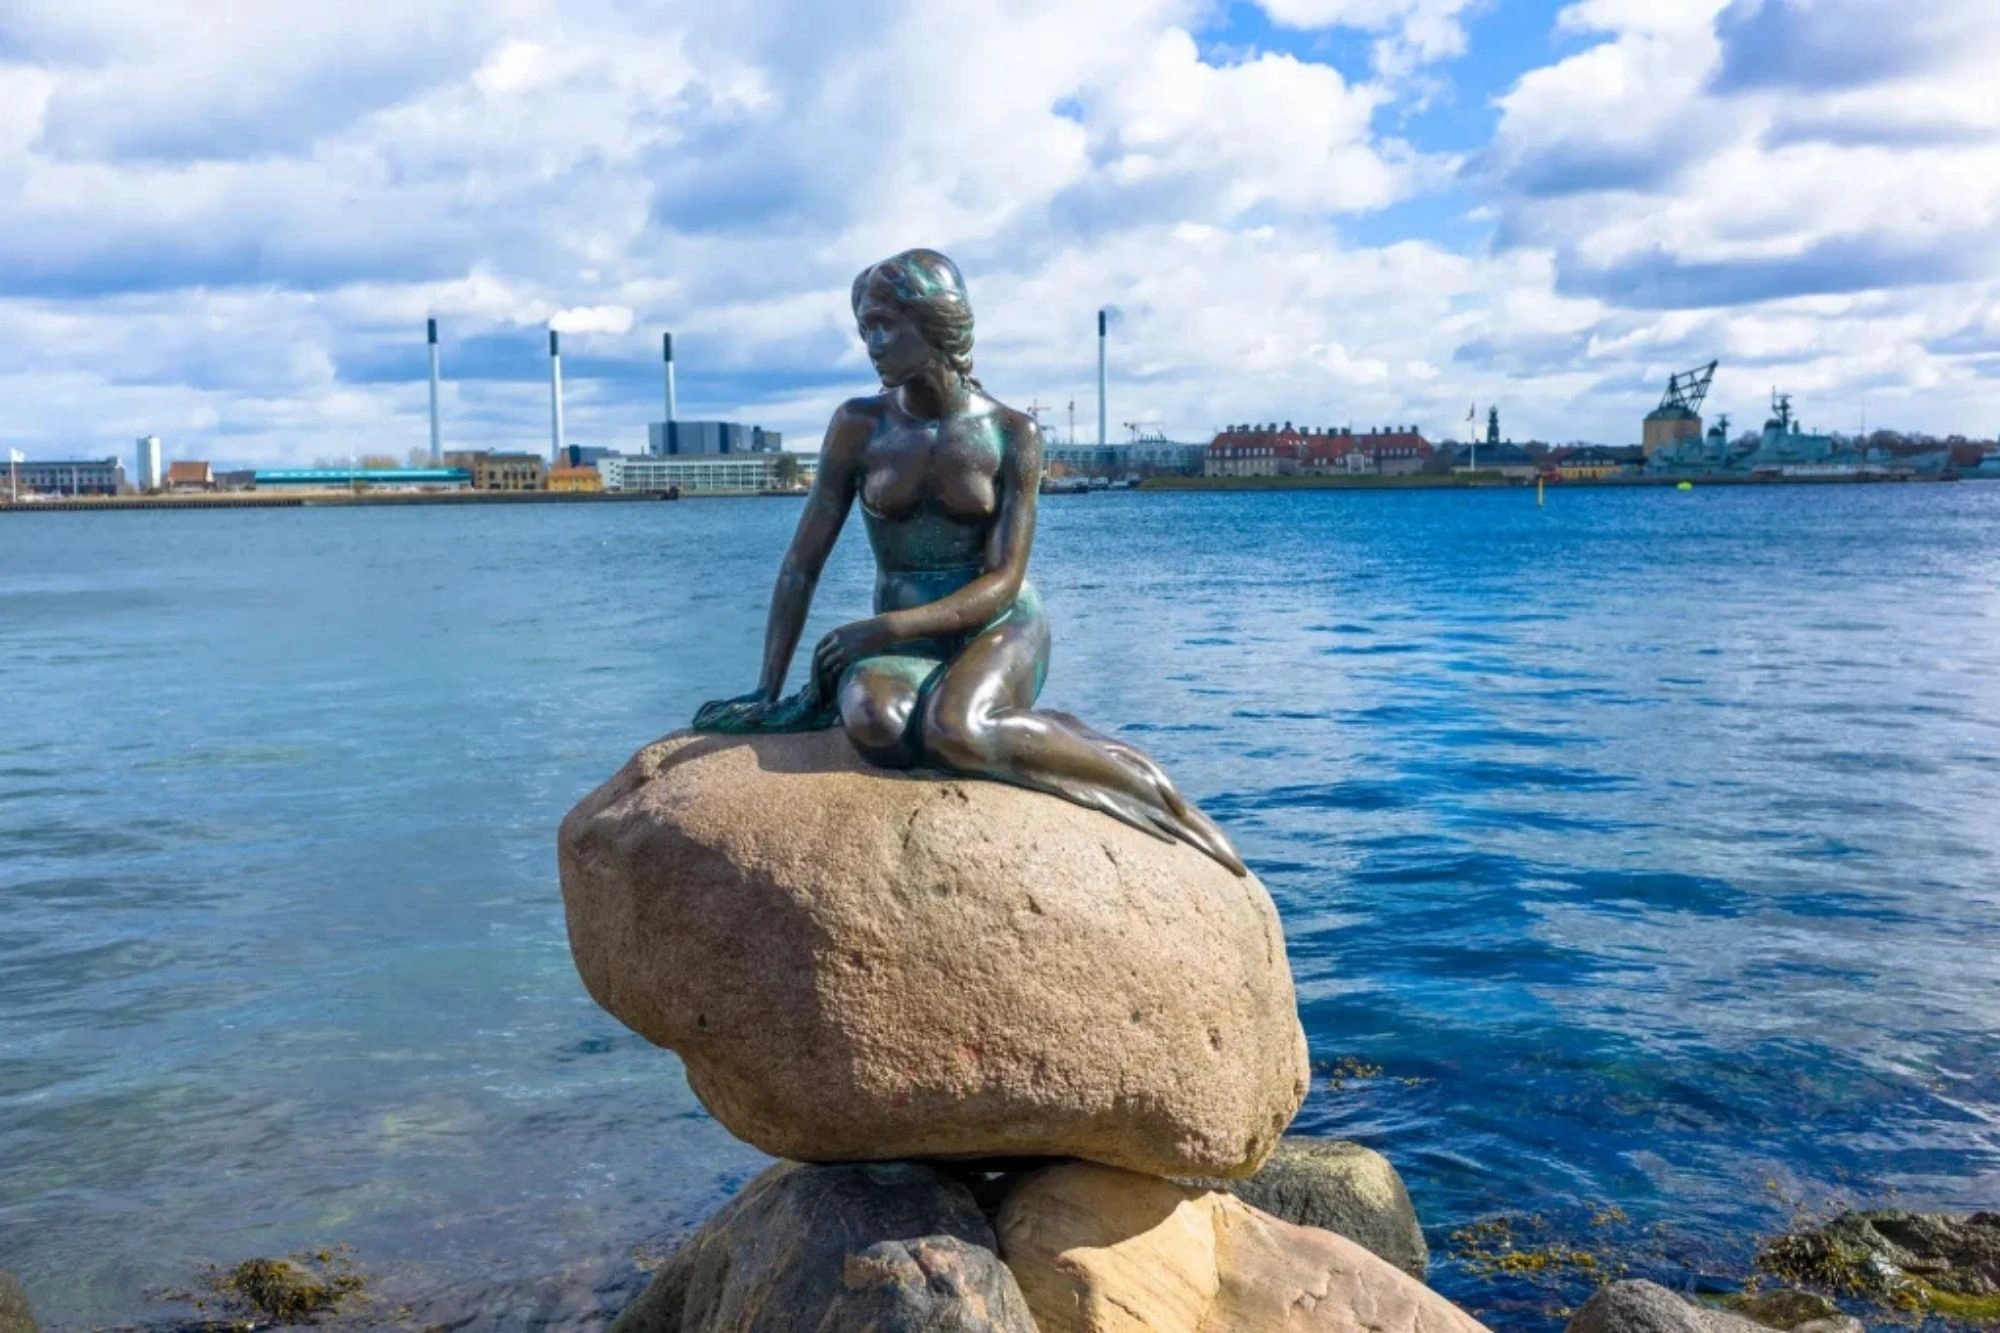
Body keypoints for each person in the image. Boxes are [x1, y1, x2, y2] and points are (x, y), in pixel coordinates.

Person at [694, 249, 1243, 874]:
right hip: (906, 640)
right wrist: (767, 689)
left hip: (998, 625)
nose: (871, 344)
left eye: (883, 325)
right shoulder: (857, 426)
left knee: (956, 731)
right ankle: (1034, 729)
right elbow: (801, 564)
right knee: (877, 726)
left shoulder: (1012, 434)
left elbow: (1004, 581)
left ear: (935, 323)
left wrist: (881, 630)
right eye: (864, 328)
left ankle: (1148, 787)